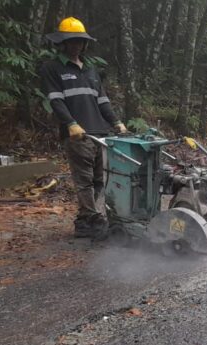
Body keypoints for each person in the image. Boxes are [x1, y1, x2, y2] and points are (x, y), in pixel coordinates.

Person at [40, 17, 128, 239]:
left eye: (79, 41)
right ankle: (91, 218)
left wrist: (116, 122)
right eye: (71, 42)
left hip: (100, 133)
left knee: (100, 179)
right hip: (78, 134)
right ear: (62, 43)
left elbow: (103, 101)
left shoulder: (90, 70)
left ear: (84, 43)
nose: (75, 45)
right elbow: (56, 101)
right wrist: (71, 124)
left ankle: (85, 219)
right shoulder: (53, 68)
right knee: (84, 179)